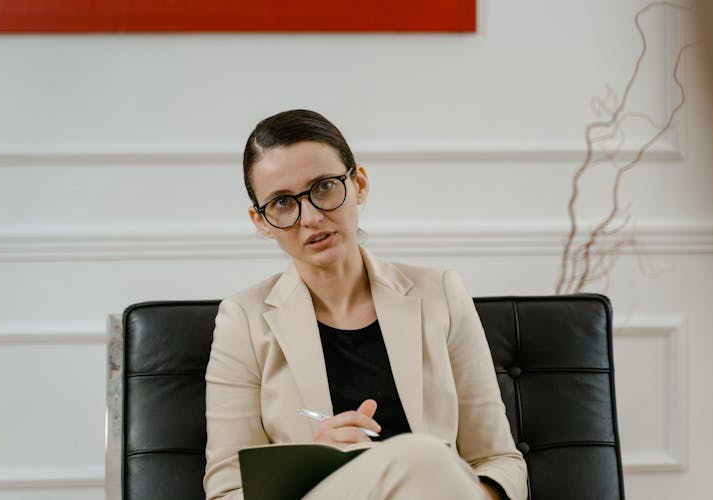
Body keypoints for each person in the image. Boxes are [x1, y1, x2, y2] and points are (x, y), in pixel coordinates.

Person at [203, 109, 528, 500]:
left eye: (323, 187)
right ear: (261, 221)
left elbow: (499, 461)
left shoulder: (441, 293)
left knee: (424, 461)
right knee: (422, 455)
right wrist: (314, 464)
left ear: (358, 184)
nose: (310, 217)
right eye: (283, 203)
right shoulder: (244, 320)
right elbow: (226, 492)